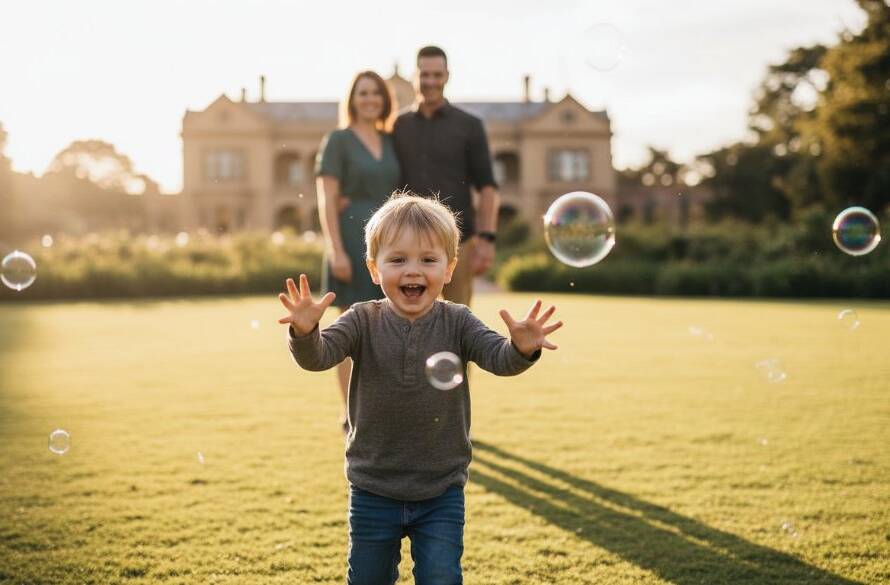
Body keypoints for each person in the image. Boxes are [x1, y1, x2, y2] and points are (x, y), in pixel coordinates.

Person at [278, 193, 563, 584]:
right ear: (374, 270)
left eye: (428, 260)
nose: (413, 270)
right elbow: (318, 357)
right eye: (398, 260)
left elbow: (498, 358)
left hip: (441, 491)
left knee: (442, 578)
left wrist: (521, 348)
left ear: (449, 269)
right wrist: (306, 331)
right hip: (372, 488)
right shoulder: (361, 319)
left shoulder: (459, 321)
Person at [315, 70, 400, 434]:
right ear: (352, 99)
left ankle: (381, 408)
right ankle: (350, 412)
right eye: (363, 93)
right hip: (350, 239)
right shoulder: (338, 140)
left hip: (388, 242)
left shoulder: (391, 140)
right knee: (349, 329)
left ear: (384, 99)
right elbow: (326, 198)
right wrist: (336, 250)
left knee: (386, 327)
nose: (369, 99)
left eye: (376, 93)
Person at [393, 45, 501, 308]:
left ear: (447, 76)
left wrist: (486, 239)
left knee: (458, 318)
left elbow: (487, 186)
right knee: (408, 319)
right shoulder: (396, 125)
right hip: (407, 240)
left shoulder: (469, 126)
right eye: (424, 75)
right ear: (413, 76)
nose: (430, 82)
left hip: (458, 242)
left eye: (437, 75)